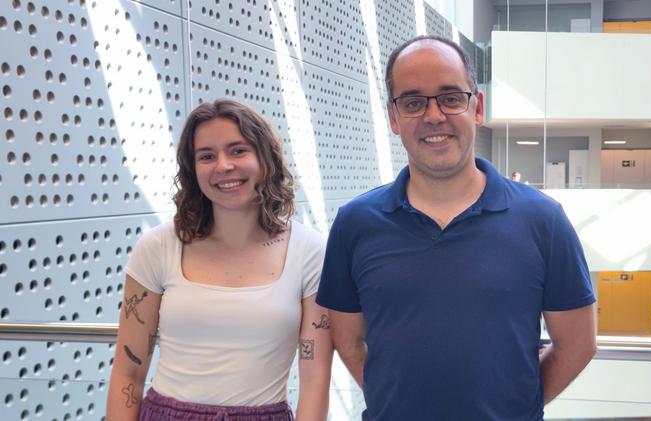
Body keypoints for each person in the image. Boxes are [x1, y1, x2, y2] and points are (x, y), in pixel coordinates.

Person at [316, 35, 596, 420]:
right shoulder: (355, 224)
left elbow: (578, 345)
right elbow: (349, 343)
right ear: (394, 118)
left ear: (477, 107)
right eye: (413, 102)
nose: (434, 116)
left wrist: (515, 408)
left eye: (450, 97)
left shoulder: (543, 220)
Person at [106, 98, 332, 420]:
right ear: (192, 168)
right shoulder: (158, 247)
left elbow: (314, 382)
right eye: (207, 156)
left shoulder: (309, 252)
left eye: (238, 150)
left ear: (265, 159)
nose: (223, 166)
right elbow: (128, 372)